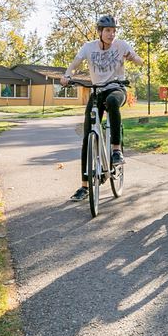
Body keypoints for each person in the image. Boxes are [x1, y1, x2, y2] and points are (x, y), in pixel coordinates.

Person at [61, 14, 143, 201]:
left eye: (113, 31)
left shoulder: (121, 45)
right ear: (99, 32)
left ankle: (116, 150)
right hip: (97, 91)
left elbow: (140, 61)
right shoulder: (88, 47)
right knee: (87, 137)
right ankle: (84, 186)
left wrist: (133, 58)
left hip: (117, 88)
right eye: (107, 31)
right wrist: (67, 75)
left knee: (113, 102)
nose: (111, 34)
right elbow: (74, 64)